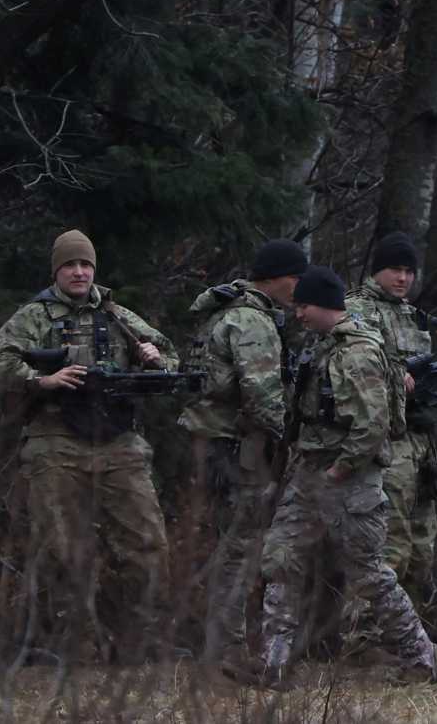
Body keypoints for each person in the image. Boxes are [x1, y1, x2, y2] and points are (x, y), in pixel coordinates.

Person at [0, 229, 176, 654]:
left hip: (119, 441)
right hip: (56, 441)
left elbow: (170, 360)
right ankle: (75, 645)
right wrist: (41, 379)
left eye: (86, 264)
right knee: (62, 545)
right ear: (57, 271)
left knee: (146, 542)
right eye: (71, 265)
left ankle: (141, 640)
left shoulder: (119, 315)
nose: (80, 272)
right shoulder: (35, 317)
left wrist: (155, 360)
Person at [255, 265, 437, 686]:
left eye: (303, 306)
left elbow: (372, 425)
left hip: (350, 480)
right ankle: (276, 662)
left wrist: (340, 470)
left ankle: (421, 656)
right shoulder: (322, 346)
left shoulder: (356, 353)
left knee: (369, 574)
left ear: (323, 305)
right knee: (280, 558)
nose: (298, 314)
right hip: (310, 472)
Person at [177, 237, 305, 672]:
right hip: (237, 448)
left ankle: (223, 643)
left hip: (215, 444)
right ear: (276, 278)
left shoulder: (224, 312)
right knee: (241, 546)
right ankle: (226, 648)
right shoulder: (251, 321)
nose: (299, 288)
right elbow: (263, 395)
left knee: (230, 543)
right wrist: (291, 438)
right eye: (295, 278)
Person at [346, 232, 437, 609]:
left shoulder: (410, 315)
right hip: (385, 441)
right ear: (377, 271)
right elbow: (353, 365)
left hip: (419, 440)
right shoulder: (356, 310)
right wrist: (393, 374)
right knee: (388, 546)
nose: (403, 279)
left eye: (408, 272)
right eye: (395, 271)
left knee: (421, 549)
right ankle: (367, 642)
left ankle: (409, 645)